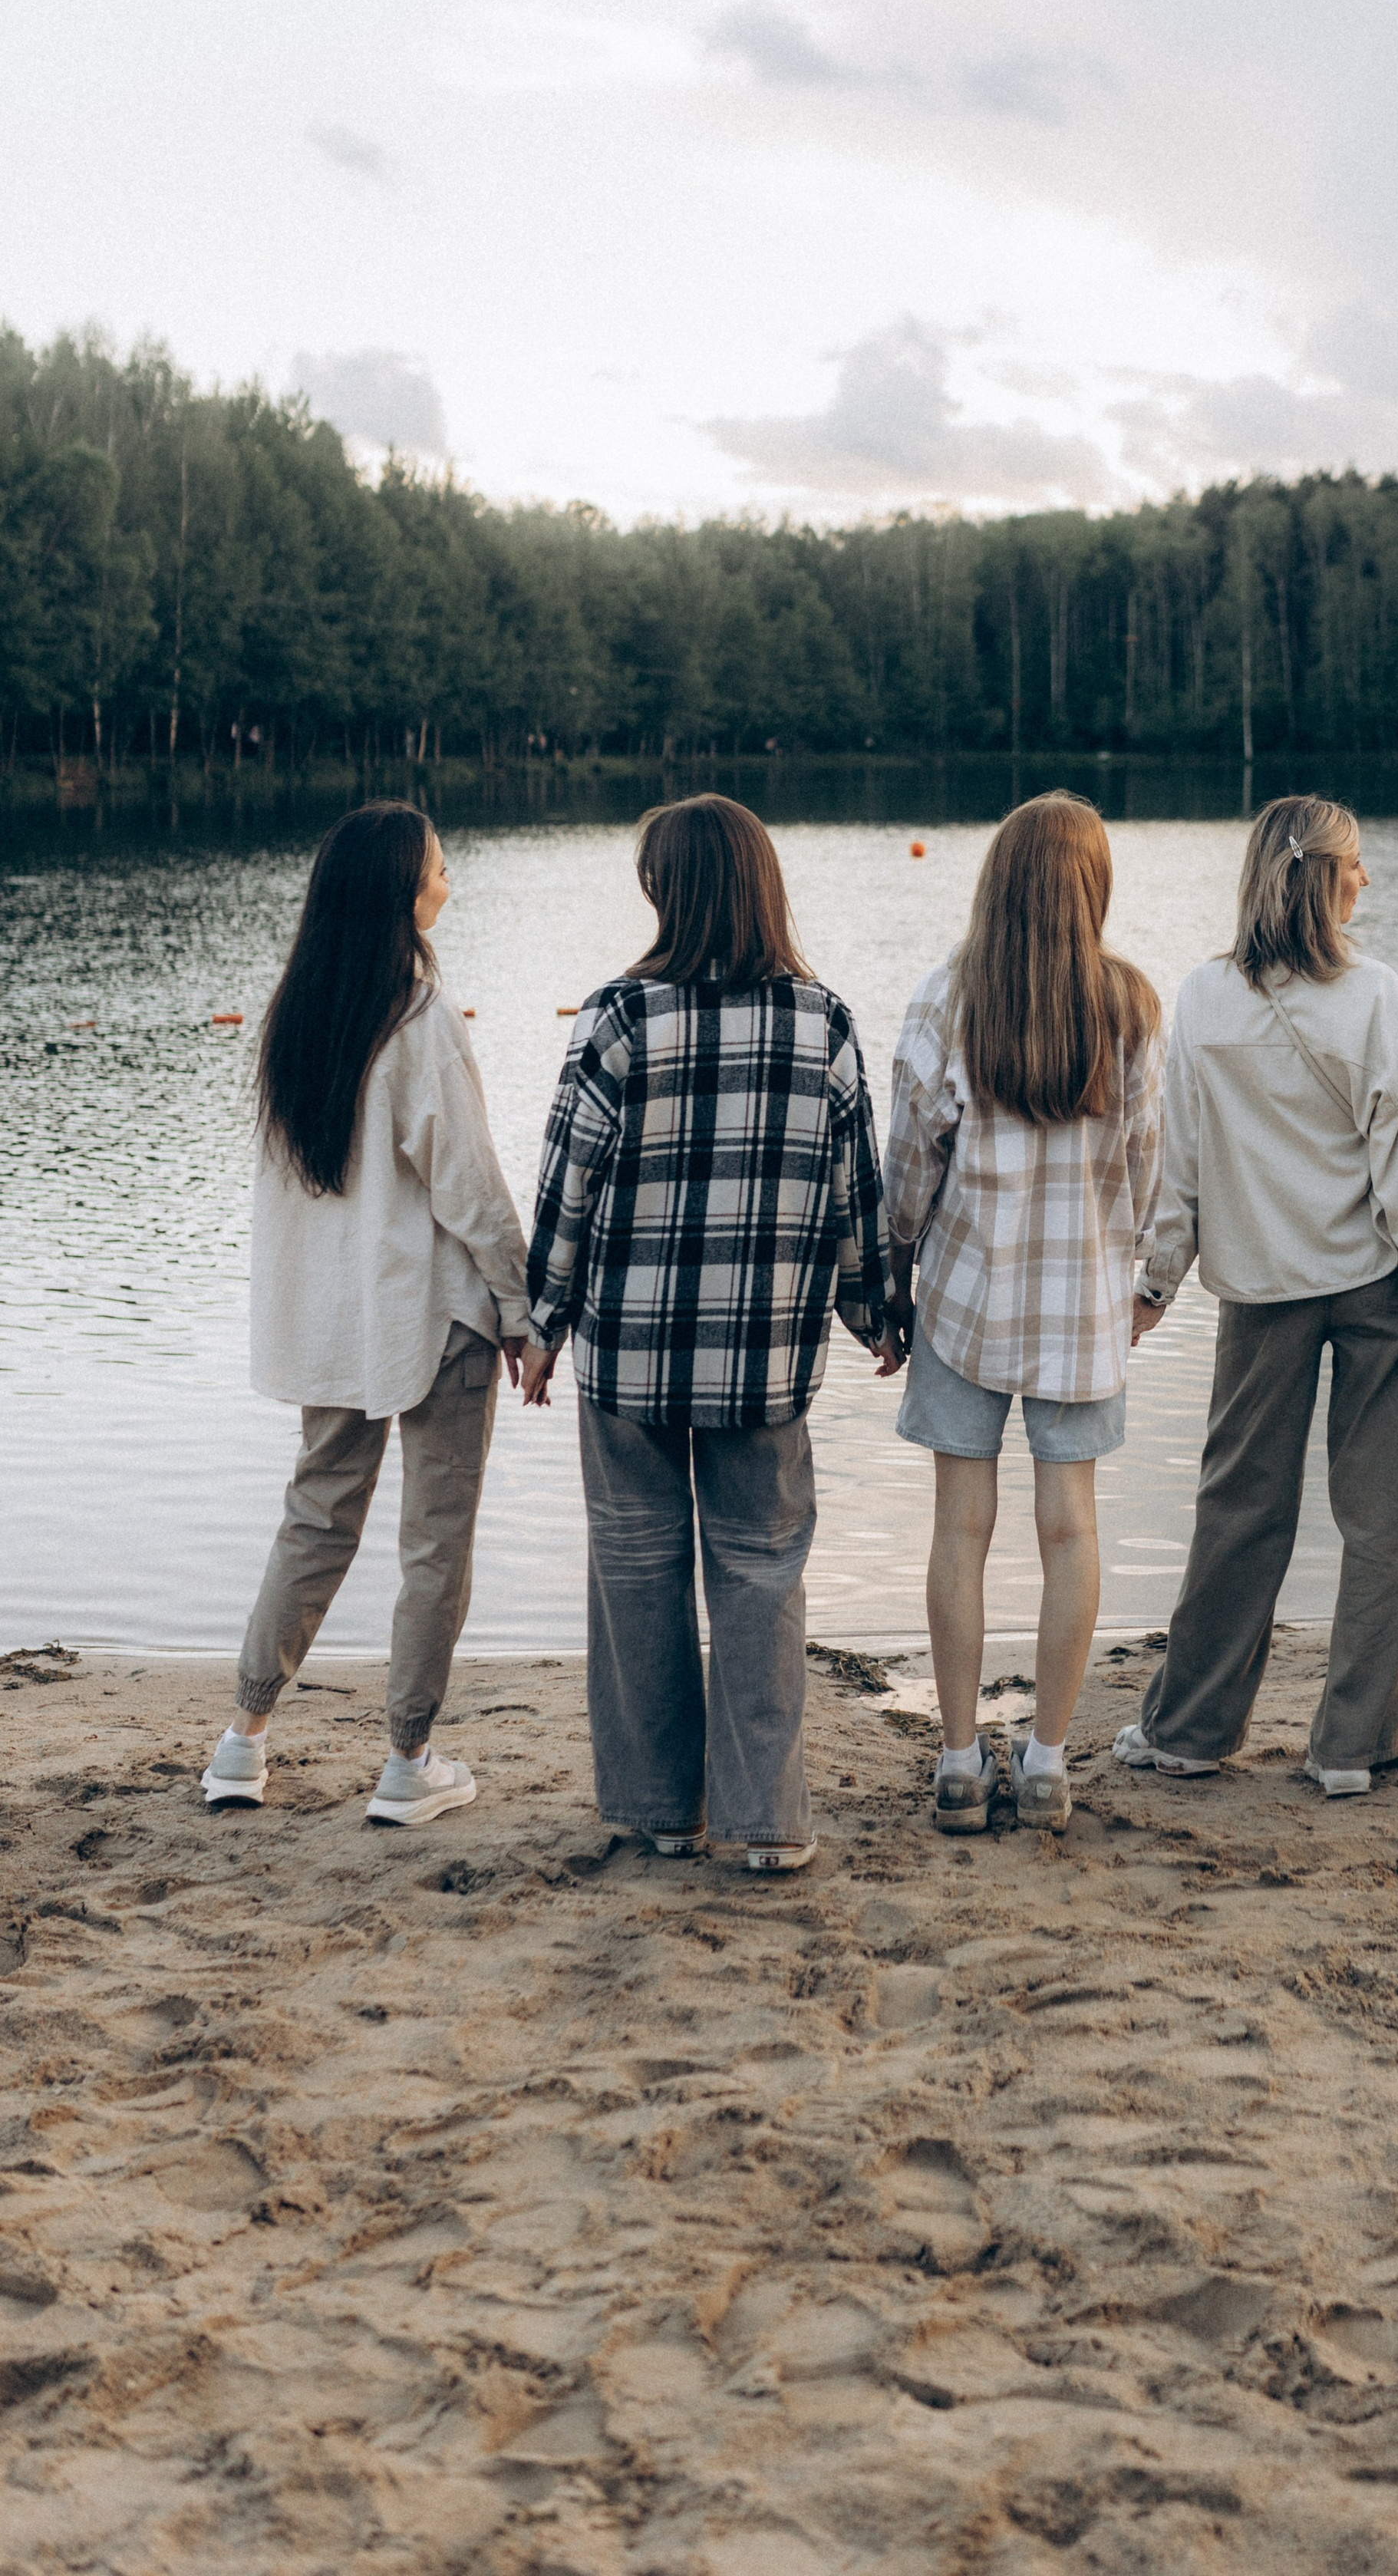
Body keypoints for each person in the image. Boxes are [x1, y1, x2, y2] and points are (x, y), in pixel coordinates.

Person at [523, 794, 895, 1875]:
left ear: (664, 891)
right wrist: (875, 1311)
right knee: (762, 1574)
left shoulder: (618, 1018)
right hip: (765, 1358)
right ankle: (765, 1824)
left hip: (631, 1355)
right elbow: (853, 1194)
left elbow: (565, 1190)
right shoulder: (822, 1021)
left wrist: (541, 1324)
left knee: (637, 1569)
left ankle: (657, 1811)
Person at [1116, 794, 1398, 1796]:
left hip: (1261, 1290)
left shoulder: (1207, 997)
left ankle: (1190, 1730)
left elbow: (1178, 1169)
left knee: (1238, 1507)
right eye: (1359, 864)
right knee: (1382, 1520)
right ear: (1327, 877)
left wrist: (1152, 1285)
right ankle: (1351, 1746)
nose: (1368, 880)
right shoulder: (1377, 994)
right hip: (1375, 1288)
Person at [202, 802, 529, 1826]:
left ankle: (242, 1744)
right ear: (399, 888)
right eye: (438, 866)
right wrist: (521, 1303)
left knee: (315, 1518)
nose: (448, 881)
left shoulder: (299, 1012)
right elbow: (468, 1186)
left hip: (335, 1320)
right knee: (435, 1543)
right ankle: (408, 1759)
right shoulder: (417, 1017)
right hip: (432, 1318)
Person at [885, 792, 1163, 1837]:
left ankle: (960, 1761)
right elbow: (1145, 1163)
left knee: (960, 1524)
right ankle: (1046, 1760)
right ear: (1094, 886)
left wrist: (892, 1264)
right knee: (1072, 1528)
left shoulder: (948, 998)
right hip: (1080, 1308)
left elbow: (911, 1167)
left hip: (963, 1299)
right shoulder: (1130, 1005)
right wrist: (1135, 1278)